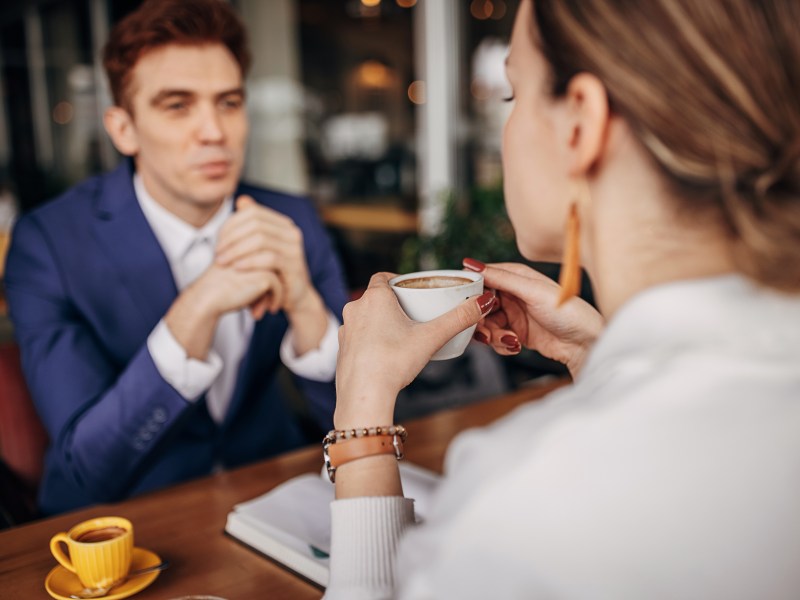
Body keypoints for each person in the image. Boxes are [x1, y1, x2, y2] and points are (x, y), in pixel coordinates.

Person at [323, 0, 800, 597]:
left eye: (512, 96)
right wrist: (598, 357)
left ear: (582, 124)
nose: (505, 126)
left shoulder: (527, 497)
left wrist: (361, 419)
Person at [4, 0, 348, 515]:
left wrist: (305, 308)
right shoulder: (47, 243)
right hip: (122, 520)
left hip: (275, 497)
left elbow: (354, 422)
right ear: (123, 129)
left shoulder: (291, 218)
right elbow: (88, 465)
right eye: (178, 105)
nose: (215, 131)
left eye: (229, 102)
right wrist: (197, 307)